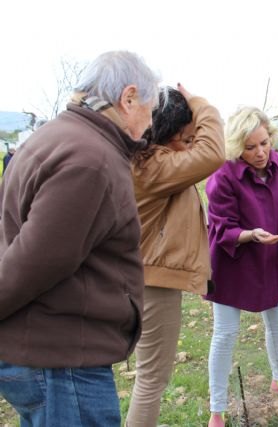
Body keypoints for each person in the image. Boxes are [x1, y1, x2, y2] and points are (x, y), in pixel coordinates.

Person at [0, 50, 159, 426]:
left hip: (48, 350)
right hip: (61, 359)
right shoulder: (90, 159)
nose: (151, 123)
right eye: (149, 109)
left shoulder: (59, 136)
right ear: (129, 97)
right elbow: (34, 262)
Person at [126, 84, 225, 426]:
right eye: (184, 138)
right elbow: (213, 152)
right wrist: (201, 102)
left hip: (143, 274)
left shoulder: (146, 160)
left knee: (147, 377)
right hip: (152, 281)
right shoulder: (154, 164)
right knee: (151, 379)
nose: (188, 146)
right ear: (165, 135)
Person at [205, 106, 278, 427]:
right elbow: (220, 226)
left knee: (277, 322)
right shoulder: (222, 176)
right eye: (250, 147)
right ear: (237, 147)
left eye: (264, 143)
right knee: (225, 334)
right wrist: (248, 235)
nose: (261, 152)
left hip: (270, 257)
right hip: (231, 262)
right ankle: (217, 410)